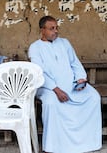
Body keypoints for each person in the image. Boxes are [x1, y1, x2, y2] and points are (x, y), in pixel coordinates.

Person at [28, 15, 102, 153]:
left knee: (93, 97)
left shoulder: (64, 42)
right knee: (51, 103)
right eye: (51, 29)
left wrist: (81, 78)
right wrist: (56, 89)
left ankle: (88, 142)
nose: (55, 31)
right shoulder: (35, 47)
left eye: (56, 28)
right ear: (42, 30)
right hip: (48, 87)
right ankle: (54, 146)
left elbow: (74, 62)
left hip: (70, 84)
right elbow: (39, 72)